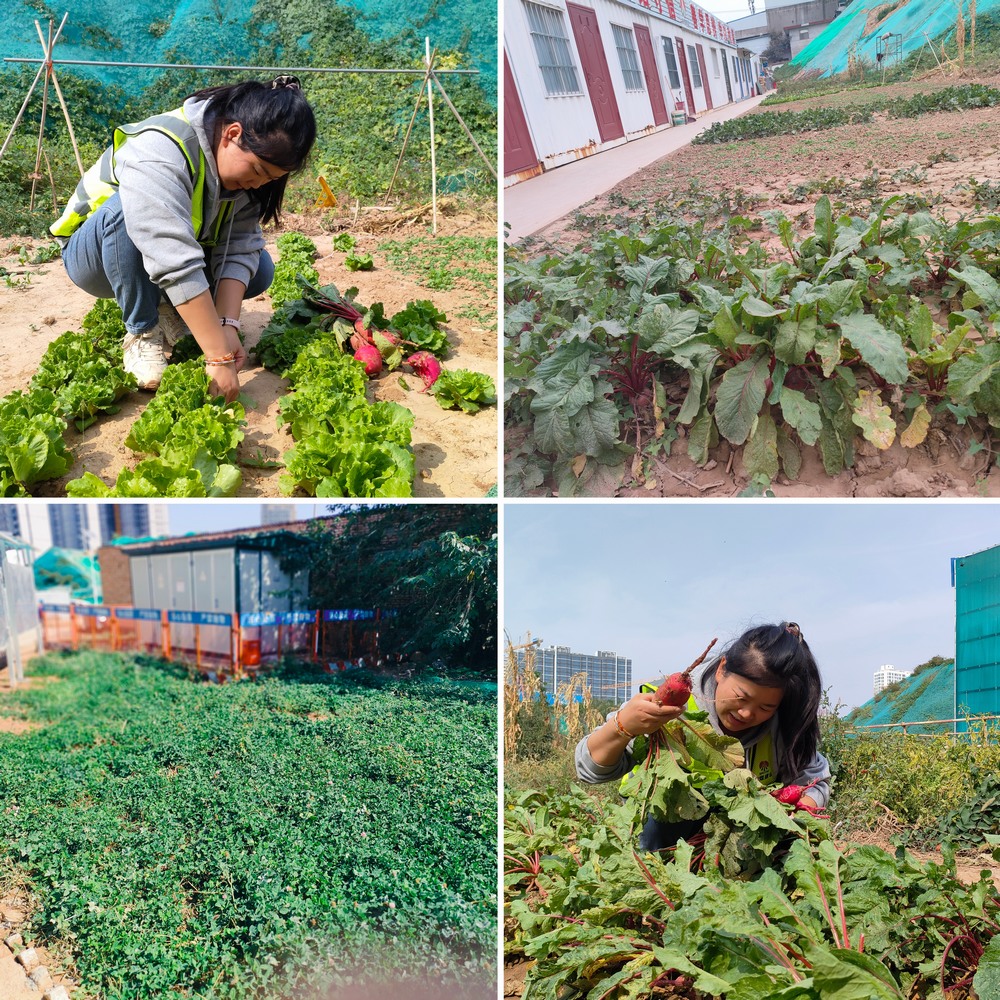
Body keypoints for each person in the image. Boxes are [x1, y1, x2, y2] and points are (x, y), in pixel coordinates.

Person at [51, 76, 317, 402]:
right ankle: (142, 331)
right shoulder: (160, 147)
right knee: (127, 212)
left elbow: (239, 246)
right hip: (95, 256)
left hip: (160, 255)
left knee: (259, 269)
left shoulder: (242, 176)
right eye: (259, 171)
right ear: (233, 134)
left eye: (271, 179)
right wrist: (217, 356)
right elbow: (169, 252)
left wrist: (227, 325)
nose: (259, 184)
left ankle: (170, 307)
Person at [575, 622, 831, 852]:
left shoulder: (782, 727)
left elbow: (815, 778)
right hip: (654, 842)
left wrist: (797, 812)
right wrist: (622, 726)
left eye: (765, 707)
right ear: (722, 669)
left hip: (736, 847)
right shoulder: (665, 706)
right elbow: (589, 769)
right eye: (741, 697)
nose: (746, 713)